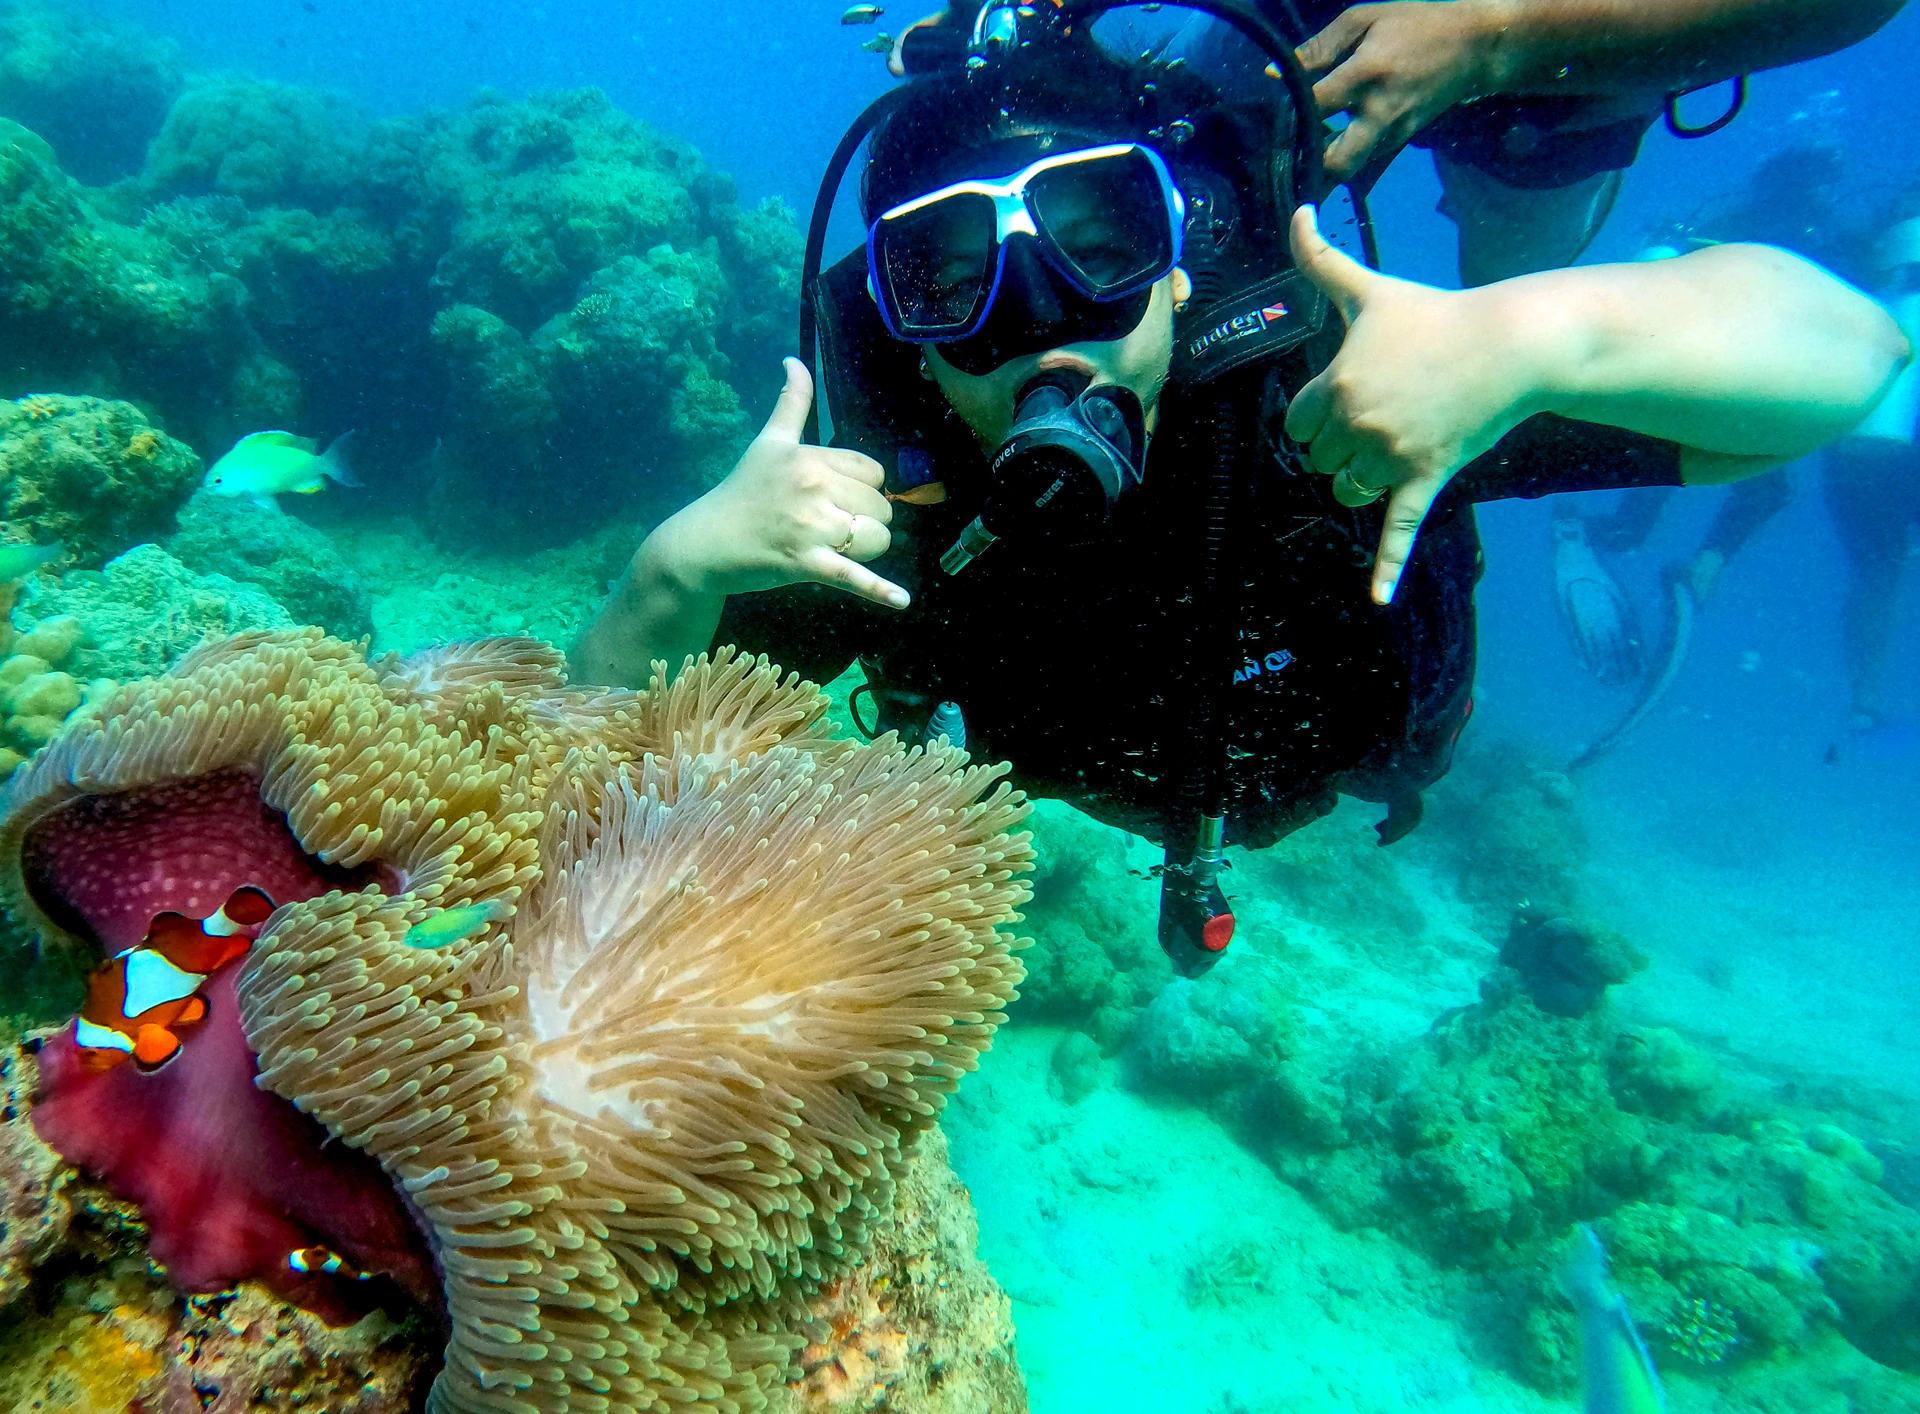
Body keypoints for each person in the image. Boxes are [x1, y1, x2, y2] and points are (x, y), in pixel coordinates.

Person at [573, 8, 1904, 973]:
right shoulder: (879, 516)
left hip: (1361, 755)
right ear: (897, 323)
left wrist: (1526, 340)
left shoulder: (1332, 397)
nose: (1042, 322)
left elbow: (1852, 358)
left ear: (1178, 261)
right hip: (1121, 780)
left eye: (1098, 238)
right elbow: (584, 756)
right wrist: (671, 572)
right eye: (948, 274)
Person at [885, 0, 1908, 285]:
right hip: (1304, 17)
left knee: (1502, 334)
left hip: (1555, 91)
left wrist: (1496, 39)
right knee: (1165, 229)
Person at [1824, 200, 1920, 739]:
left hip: (1858, 446)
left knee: (1879, 574)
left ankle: (1865, 698)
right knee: (1881, 572)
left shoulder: (1868, 256)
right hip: (1899, 444)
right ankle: (1864, 699)